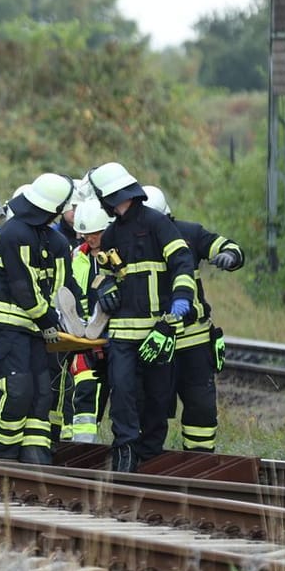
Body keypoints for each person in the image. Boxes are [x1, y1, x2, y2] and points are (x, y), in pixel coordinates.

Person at [85, 162, 196, 473]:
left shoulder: (158, 224)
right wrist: (104, 287)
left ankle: (151, 455)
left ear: (108, 196)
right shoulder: (109, 236)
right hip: (121, 334)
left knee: (159, 396)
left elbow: (182, 263)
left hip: (157, 331)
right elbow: (101, 275)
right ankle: (125, 454)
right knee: (122, 393)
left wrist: (180, 303)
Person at [142, 185, 245, 452]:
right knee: (151, 408)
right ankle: (148, 462)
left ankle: (199, 461)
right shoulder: (133, 241)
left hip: (194, 342)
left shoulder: (189, 234)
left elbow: (226, 245)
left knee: (201, 407)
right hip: (153, 342)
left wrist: (230, 256)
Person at [0, 173, 75, 463]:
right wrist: (49, 319)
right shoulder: (13, 234)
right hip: (6, 326)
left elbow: (63, 286)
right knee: (17, 389)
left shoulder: (56, 241)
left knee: (41, 393)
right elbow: (23, 285)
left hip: (36, 328)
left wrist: (67, 321)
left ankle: (34, 454)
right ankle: (5, 456)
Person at [56, 196, 114, 444]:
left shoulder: (120, 255)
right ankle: (82, 446)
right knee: (84, 388)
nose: (90, 238)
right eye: (85, 233)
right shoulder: (76, 256)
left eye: (95, 233)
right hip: (83, 337)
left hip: (116, 335)